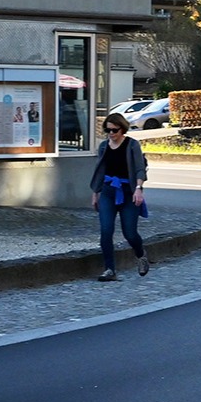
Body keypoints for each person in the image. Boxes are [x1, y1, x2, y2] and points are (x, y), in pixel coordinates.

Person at [90, 112, 150, 281]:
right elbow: (99, 171)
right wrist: (95, 193)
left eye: (114, 130)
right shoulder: (103, 146)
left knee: (130, 233)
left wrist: (138, 189)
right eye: (108, 130)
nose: (111, 134)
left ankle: (141, 254)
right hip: (108, 192)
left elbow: (139, 168)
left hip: (128, 193)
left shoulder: (132, 145)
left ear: (122, 129)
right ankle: (110, 269)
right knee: (106, 230)